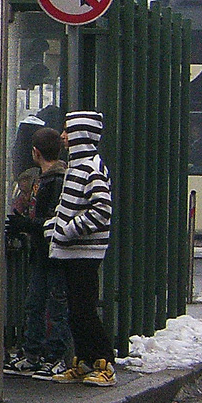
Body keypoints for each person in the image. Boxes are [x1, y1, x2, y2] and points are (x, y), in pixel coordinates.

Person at [45, 111, 117, 386]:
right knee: (77, 311)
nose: (62, 136)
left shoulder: (89, 168)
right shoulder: (83, 165)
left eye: (67, 131)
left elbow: (102, 209)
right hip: (75, 249)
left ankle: (104, 362)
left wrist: (65, 230)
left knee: (83, 310)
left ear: (80, 135)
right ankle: (86, 361)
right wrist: (56, 227)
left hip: (83, 251)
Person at [3, 127, 71, 377]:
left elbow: (51, 219)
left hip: (51, 251)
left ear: (35, 152)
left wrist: (26, 225)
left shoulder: (51, 181)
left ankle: (47, 355)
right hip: (47, 252)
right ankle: (38, 353)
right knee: (41, 303)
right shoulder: (55, 178)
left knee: (49, 305)